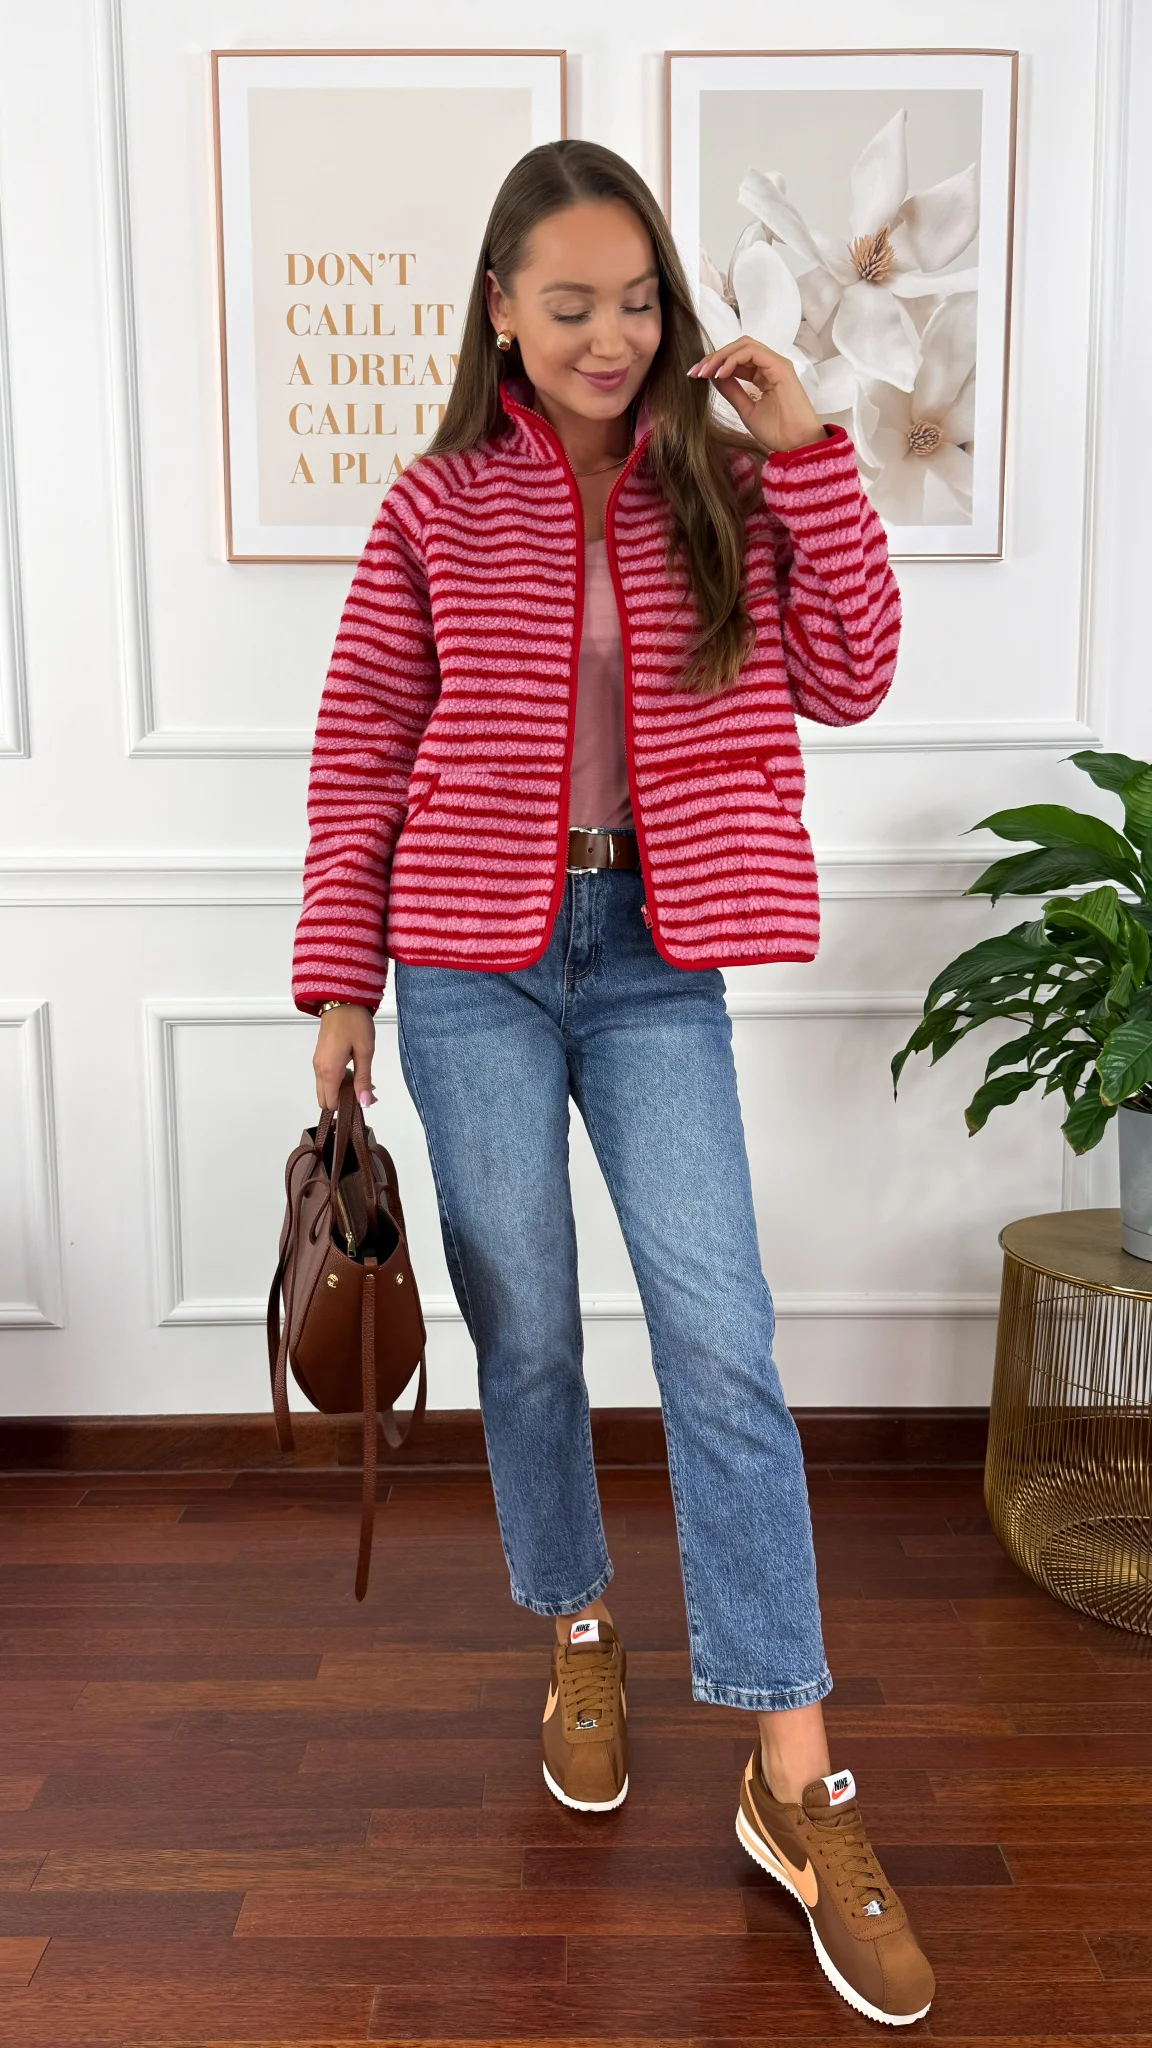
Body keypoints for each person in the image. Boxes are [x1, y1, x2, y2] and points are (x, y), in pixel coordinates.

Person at [292, 139, 933, 2026]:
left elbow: (855, 674)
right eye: (570, 303)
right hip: (471, 969)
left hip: (658, 959)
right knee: (530, 1329)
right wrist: (339, 987)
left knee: (722, 1339)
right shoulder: (436, 507)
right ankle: (580, 1625)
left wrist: (809, 451)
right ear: (501, 311)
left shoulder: (723, 480)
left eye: (638, 300)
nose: (611, 334)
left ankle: (794, 1775)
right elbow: (361, 750)